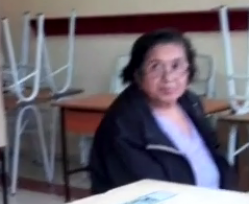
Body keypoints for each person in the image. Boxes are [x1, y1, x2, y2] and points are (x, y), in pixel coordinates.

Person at [88, 28, 237, 194]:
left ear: (189, 70)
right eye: (155, 67)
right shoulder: (123, 125)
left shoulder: (190, 102)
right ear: (138, 74)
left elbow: (217, 158)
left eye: (176, 66)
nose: (168, 78)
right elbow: (148, 193)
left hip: (214, 200)